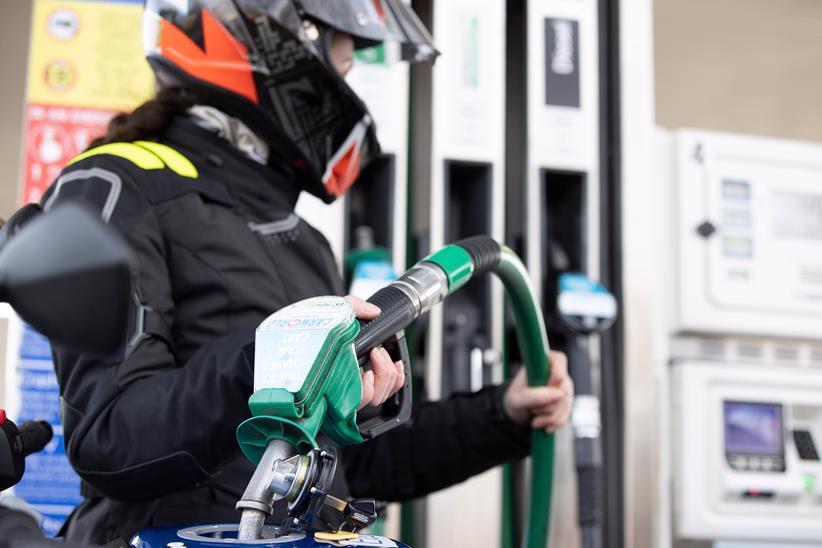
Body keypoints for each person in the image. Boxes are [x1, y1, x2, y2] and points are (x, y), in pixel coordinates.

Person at [42, 1, 574, 544]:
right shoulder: (111, 188)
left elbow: (350, 468)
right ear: (281, 46)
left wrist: (502, 414)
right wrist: (271, 361)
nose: (349, 83)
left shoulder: (299, 236)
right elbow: (110, 437)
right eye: (345, 61)